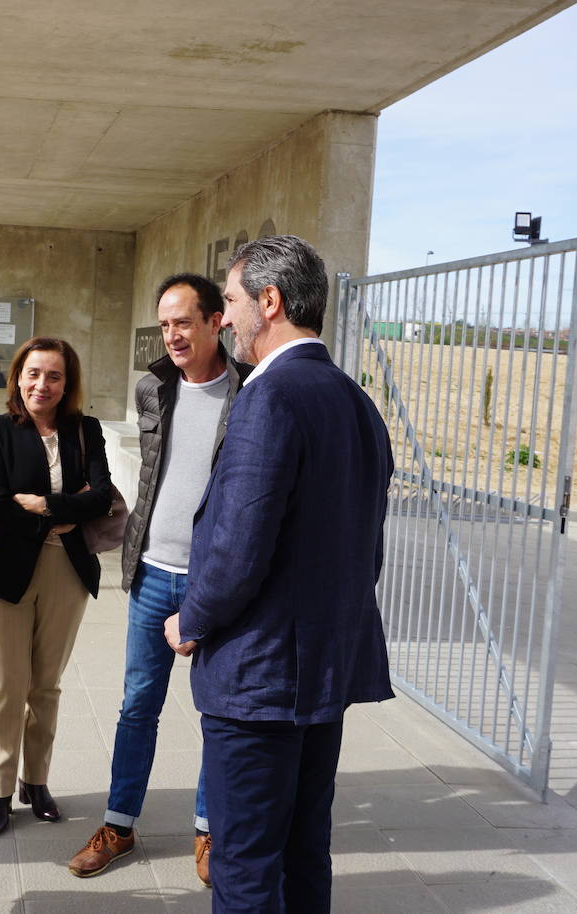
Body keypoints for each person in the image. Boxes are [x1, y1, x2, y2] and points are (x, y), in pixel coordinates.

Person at [168, 235, 394, 914]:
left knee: (244, 866)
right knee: (303, 855)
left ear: (270, 302)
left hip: (260, 682)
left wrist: (193, 619)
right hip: (320, 673)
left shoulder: (271, 398)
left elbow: (239, 548)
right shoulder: (355, 400)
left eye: (232, 302)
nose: (226, 318)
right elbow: (365, 549)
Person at [68, 274, 250, 884]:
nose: (171, 334)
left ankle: (208, 831)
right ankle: (118, 825)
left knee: (214, 712)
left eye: (183, 322)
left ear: (215, 321)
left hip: (214, 586)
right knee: (137, 705)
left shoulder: (249, 393)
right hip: (151, 574)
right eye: (164, 323)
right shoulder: (154, 388)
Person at [0, 337, 116, 835]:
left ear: (66, 383)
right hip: (7, 573)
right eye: (34, 373)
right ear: (18, 376)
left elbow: (101, 497)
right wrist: (57, 512)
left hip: (68, 573)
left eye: (54, 376)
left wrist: (43, 506)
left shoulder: (85, 430)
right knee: (6, 686)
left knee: (46, 685)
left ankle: (37, 781)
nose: (42, 384)